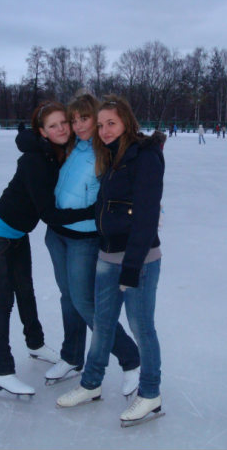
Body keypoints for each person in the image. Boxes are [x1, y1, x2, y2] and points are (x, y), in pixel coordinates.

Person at [57, 95, 166, 427]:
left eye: (111, 123)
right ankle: (91, 384)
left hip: (139, 260)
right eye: (101, 124)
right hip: (107, 254)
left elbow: (146, 216)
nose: (104, 130)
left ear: (127, 122)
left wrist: (132, 266)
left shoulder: (145, 156)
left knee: (141, 328)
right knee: (102, 325)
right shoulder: (110, 155)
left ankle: (150, 393)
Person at [0, 101, 95, 396]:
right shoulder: (34, 160)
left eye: (63, 123)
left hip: (18, 234)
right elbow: (49, 214)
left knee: (26, 291)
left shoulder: (57, 151)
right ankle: (1, 370)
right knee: (3, 301)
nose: (62, 129)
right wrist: (93, 212)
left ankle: (35, 343)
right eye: (53, 126)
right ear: (42, 132)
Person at [44, 93, 141, 395]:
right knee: (68, 298)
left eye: (84, 118)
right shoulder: (73, 146)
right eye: (74, 119)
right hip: (57, 235)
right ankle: (72, 357)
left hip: (83, 239)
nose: (78, 125)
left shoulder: (106, 152)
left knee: (84, 302)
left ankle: (131, 359)